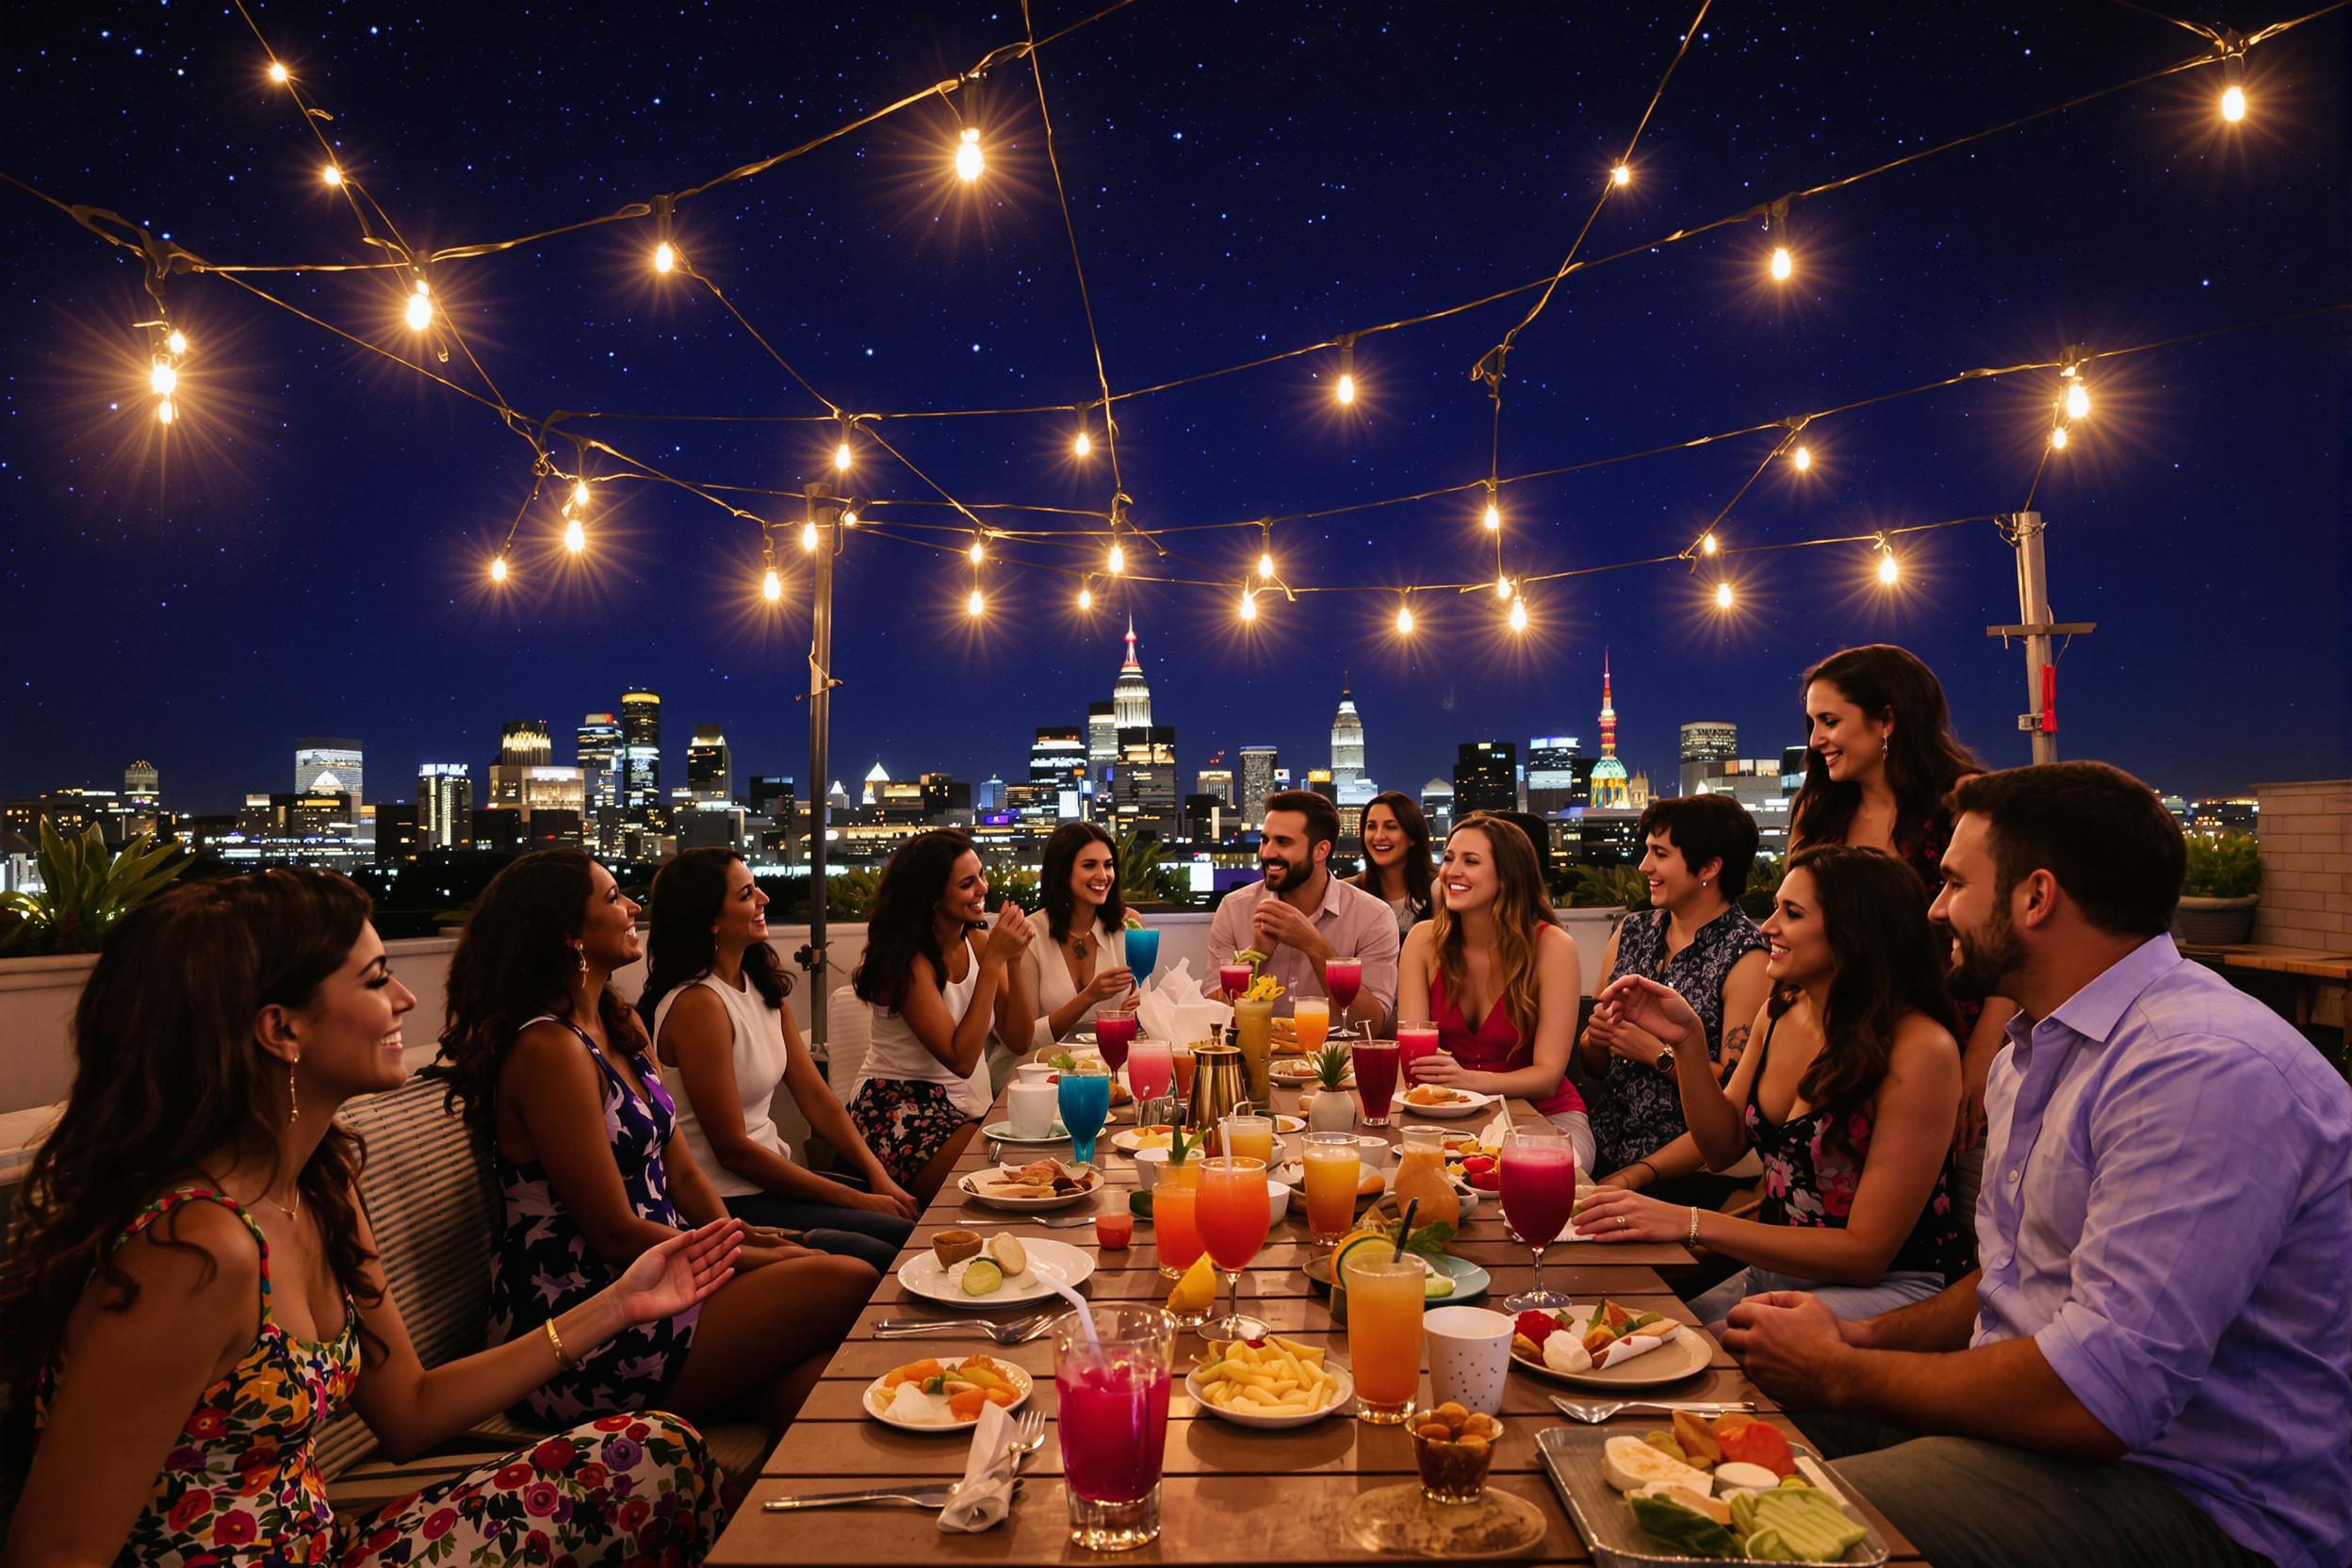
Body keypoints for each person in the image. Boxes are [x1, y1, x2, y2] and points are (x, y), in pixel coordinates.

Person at [0, 871, 734, 1566]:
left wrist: (616, 1306)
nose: (407, 999)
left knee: (657, 1454)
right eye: (377, 978)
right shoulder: (190, 1250)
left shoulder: (319, 1186)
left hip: (328, 1547)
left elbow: (409, 1412)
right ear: (281, 1030)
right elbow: (54, 1550)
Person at [1721, 762, 2352, 1568]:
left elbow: (2099, 1396)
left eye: (1952, 883)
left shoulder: (2199, 1067)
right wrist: (1858, 1336)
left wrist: (1844, 1373)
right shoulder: (2035, 1048)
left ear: (2035, 898)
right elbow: (2011, 1285)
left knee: (1760, 1532)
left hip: (2193, 1503)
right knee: (1706, 1423)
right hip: (2032, 1440)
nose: (1935, 908)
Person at [433, 850, 874, 1443]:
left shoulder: (621, 1026)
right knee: (851, 1278)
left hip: (670, 1277)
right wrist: (756, 1260)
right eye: (614, 898)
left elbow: (686, 1177)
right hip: (591, 1321)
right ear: (570, 935)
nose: (634, 906)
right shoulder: (549, 1051)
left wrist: (740, 1242)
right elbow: (612, 1232)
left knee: (814, 1388)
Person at [1577, 846, 1969, 1327]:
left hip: (1891, 1288)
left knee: (1689, 1350)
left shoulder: (1922, 1049)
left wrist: (1689, 1221)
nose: (1768, 927)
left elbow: (1865, 1254)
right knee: (1627, 1333)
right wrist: (1688, 1042)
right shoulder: (1780, 1009)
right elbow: (1720, 1147)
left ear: (1857, 932)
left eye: (1793, 913)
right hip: (1777, 1272)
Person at [639, 847, 918, 1275]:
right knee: (895, 1246)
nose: (764, 899)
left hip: (770, 1181)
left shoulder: (762, 989)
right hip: (728, 1199)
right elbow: (734, 1151)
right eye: (747, 894)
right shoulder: (699, 1005)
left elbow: (817, 1098)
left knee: (909, 1221)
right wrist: (859, 1198)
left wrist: (877, 1173)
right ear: (710, 920)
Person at [1791, 644, 2015, 1160]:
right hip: (1840, 1040)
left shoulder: (1964, 803)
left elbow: (2002, 939)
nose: (1816, 739)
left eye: (1829, 720)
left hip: (1949, 1038)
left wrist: (1983, 1054)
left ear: (1886, 719)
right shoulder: (1819, 814)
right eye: (1812, 722)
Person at [1582, 794, 1772, 1203]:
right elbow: (1594, 1067)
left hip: (1685, 1169)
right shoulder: (1632, 931)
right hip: (1603, 1146)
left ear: (1709, 868)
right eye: (1647, 850)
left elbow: (1735, 1097)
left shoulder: (1747, 956)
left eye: (1660, 854)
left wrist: (1659, 1053)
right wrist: (1596, 1038)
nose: (1645, 866)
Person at [847, 831, 1036, 1205]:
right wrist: (994, 962)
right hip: (897, 1105)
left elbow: (1018, 1039)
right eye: (967, 883)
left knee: (1024, 1168)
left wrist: (1013, 961)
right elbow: (961, 1058)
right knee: (994, 1185)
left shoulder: (978, 943)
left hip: (959, 1105)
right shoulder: (907, 962)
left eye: (981, 875)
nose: (983, 888)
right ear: (932, 896)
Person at [1396, 814, 1591, 1167]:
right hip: (1450, 1117)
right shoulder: (1422, 942)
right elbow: (1414, 1057)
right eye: (1449, 858)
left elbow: (1547, 1078)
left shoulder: (1553, 947)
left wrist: (1470, 1080)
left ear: (1507, 876)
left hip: (1544, 1115)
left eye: (1470, 861)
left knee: (1529, 1174)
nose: (1452, 870)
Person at [1208, 790, 1400, 1031]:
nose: (1267, 853)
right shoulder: (1233, 908)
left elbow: (1369, 1025)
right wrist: (1255, 955)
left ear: (1320, 851)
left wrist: (1315, 946)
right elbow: (1211, 1018)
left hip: (1336, 1064)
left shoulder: (1373, 917)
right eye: (1265, 840)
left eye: (1283, 842)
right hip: (1251, 1060)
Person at [1021, 821, 1140, 1048]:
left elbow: (1145, 1014)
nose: (1103, 875)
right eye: (1089, 865)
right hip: (1041, 1067)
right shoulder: (1031, 934)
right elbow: (1025, 1038)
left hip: (1109, 1059)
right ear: (1063, 872)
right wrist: (1088, 997)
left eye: (1108, 865)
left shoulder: (1128, 929)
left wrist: (1136, 1013)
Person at [1350, 789, 1434, 943]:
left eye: (1391, 827)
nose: (1379, 836)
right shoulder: (1349, 894)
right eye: (1371, 827)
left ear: (1412, 836)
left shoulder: (1440, 891)